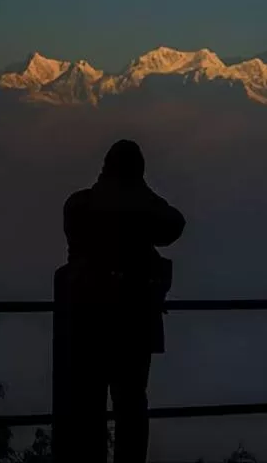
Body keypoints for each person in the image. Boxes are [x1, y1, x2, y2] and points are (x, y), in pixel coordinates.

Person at [61, 139, 186, 463]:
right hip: (133, 323)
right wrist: (139, 192)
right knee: (130, 406)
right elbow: (173, 223)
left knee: (89, 405)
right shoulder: (143, 211)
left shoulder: (79, 207)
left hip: (87, 322)